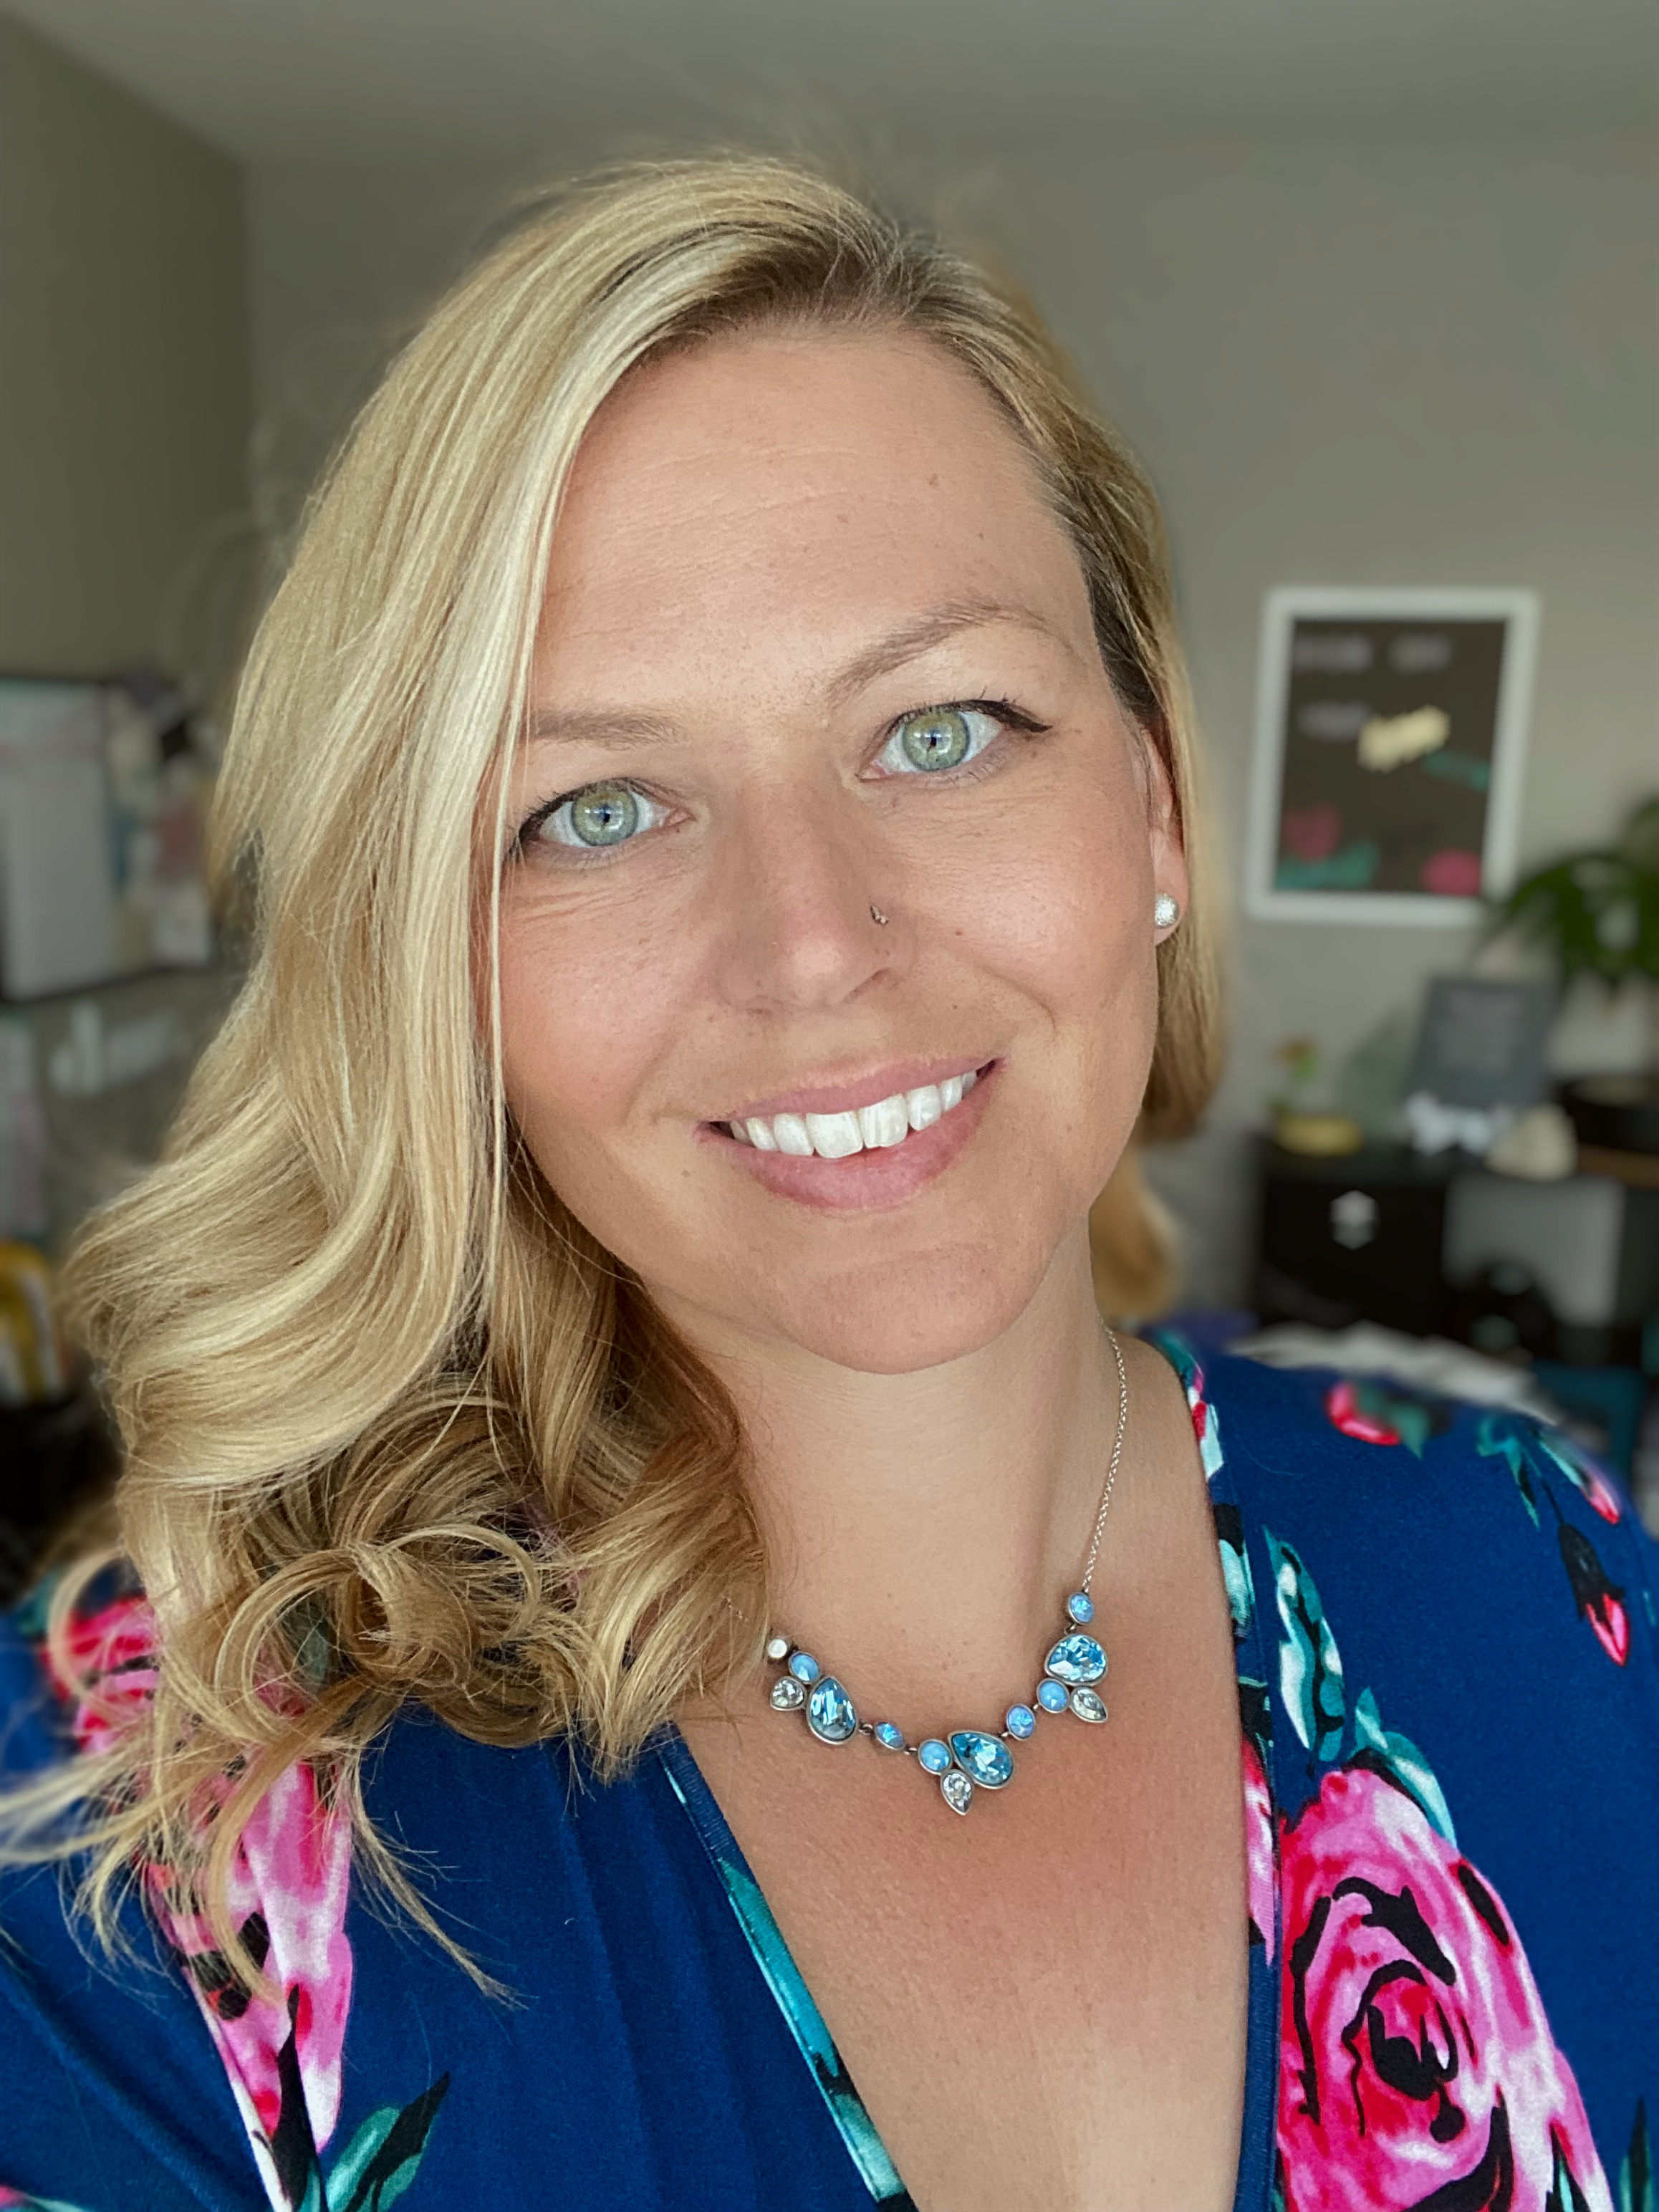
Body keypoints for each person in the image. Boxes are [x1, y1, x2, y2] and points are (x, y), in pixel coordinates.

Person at [0, 156, 1654, 2212]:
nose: (809, 941)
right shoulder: (142, 1858)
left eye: (943, 727)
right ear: (436, 954)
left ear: (1145, 808)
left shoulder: (1549, 1582)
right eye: (593, 807)